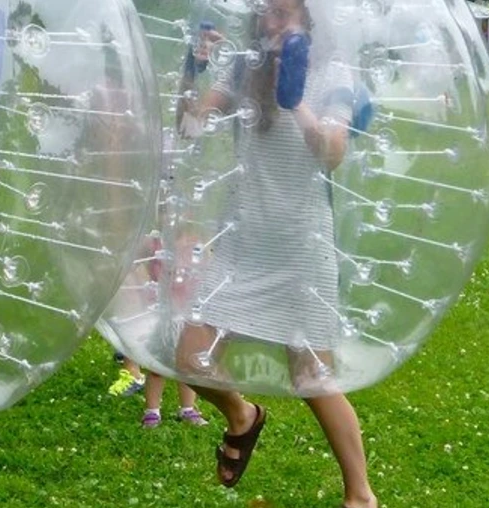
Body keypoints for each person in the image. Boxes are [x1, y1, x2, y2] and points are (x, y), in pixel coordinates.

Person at [174, 1, 377, 507]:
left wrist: (295, 100)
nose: (276, 23)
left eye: (287, 13)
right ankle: (243, 414)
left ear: (308, 21)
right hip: (244, 239)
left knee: (312, 377)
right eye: (268, 12)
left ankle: (361, 496)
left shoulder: (333, 73)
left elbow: (332, 152)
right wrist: (191, 69)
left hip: (301, 246)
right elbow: (190, 125)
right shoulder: (244, 65)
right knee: (188, 357)